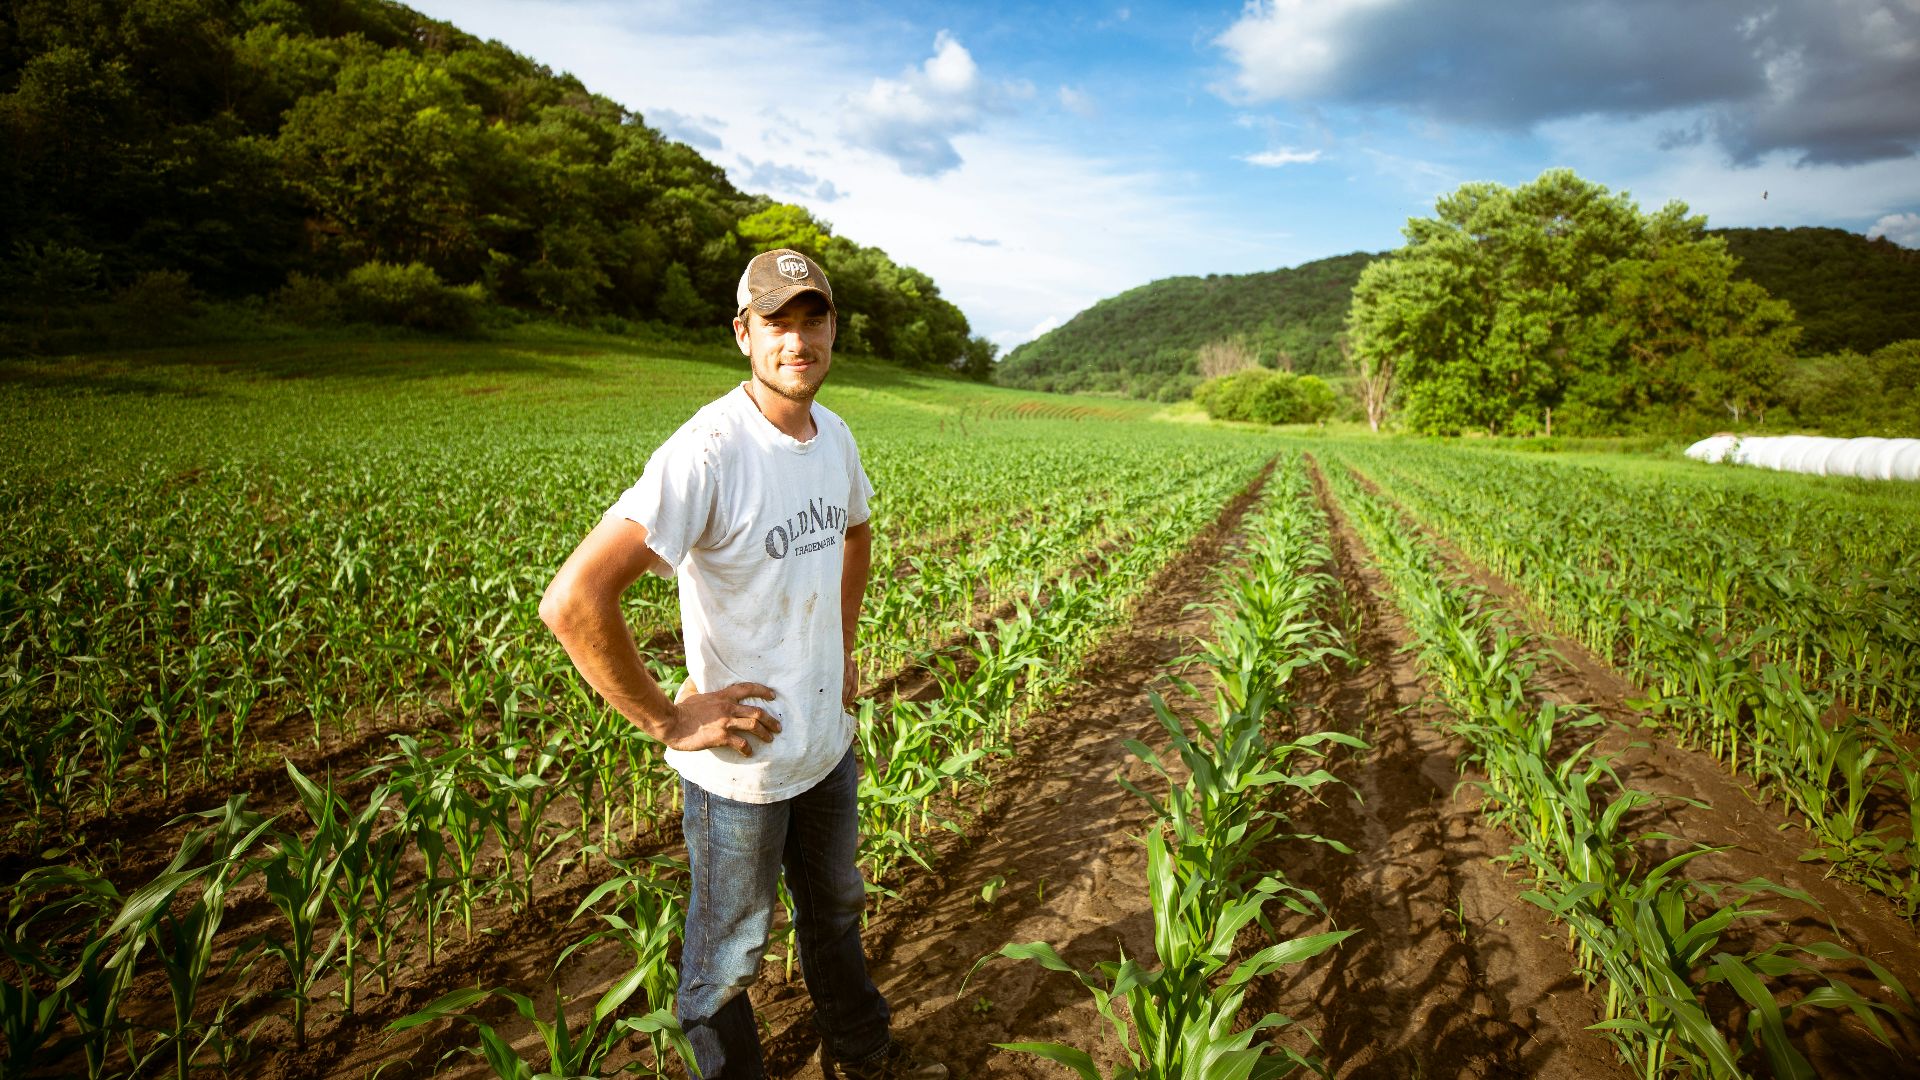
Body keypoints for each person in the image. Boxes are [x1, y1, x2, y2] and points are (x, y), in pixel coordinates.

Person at [538, 249, 944, 1080]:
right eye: (777, 322)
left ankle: (862, 1062)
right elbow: (574, 600)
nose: (798, 339)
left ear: (833, 329)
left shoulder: (835, 436)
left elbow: (856, 531)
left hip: (824, 745)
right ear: (743, 334)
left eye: (813, 318)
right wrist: (667, 717)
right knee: (727, 959)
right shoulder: (709, 451)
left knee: (835, 914)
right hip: (743, 770)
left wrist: (842, 642)